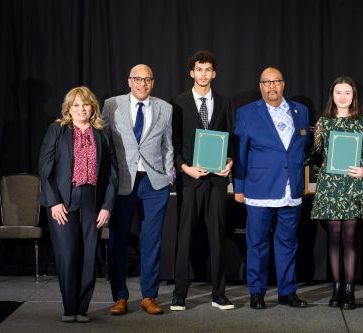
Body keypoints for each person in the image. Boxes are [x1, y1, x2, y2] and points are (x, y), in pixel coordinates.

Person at [233, 67, 311, 309]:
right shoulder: (246, 113)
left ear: (283, 84)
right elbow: (240, 152)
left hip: (291, 189)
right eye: (266, 82)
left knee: (288, 243)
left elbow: (303, 146)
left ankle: (287, 291)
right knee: (257, 243)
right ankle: (257, 292)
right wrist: (239, 187)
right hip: (259, 189)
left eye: (275, 81)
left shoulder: (301, 111)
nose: (271, 86)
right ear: (260, 86)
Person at [39, 86, 118, 322]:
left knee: (88, 256)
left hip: (92, 201)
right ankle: (69, 307)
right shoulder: (57, 130)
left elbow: (113, 172)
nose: (81, 109)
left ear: (92, 106)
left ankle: (82, 308)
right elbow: (45, 169)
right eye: (76, 105)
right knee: (68, 254)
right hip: (63, 200)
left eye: (85, 104)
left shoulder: (102, 133)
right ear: (68, 108)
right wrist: (53, 202)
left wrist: (107, 206)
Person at [103, 64, 174, 315]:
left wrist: (169, 174)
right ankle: (119, 297)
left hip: (155, 184)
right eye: (137, 79)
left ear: (153, 83)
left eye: (147, 79)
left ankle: (149, 296)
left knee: (152, 241)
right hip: (122, 182)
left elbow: (168, 145)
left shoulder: (165, 108)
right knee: (118, 240)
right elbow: (106, 144)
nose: (142, 84)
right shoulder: (112, 105)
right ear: (129, 81)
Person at [170, 50, 235, 311]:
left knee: (217, 236)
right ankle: (179, 294)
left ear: (214, 73)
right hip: (190, 180)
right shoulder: (177, 102)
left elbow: (232, 137)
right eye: (199, 69)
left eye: (208, 69)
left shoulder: (224, 102)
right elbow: (172, 143)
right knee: (184, 236)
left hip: (217, 181)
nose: (203, 74)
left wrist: (229, 162)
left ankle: (219, 293)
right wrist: (185, 168)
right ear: (191, 73)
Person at [309, 76, 363, 310]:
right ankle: (336, 287)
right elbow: (316, 156)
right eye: (338, 92)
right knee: (333, 239)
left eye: (348, 92)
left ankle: (350, 290)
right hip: (330, 188)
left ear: (354, 95)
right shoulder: (324, 123)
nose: (343, 97)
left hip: (354, 186)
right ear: (332, 95)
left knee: (350, 239)